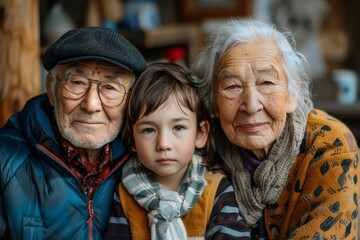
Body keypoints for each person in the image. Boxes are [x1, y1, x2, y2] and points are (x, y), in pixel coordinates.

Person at [190, 18, 359, 239]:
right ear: (213, 101)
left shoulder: (331, 146)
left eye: (267, 83)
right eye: (232, 86)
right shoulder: (200, 147)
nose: (251, 105)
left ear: (292, 93)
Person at [0, 26, 147, 239]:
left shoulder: (146, 157)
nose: (91, 104)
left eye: (110, 88)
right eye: (77, 82)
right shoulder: (6, 161)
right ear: (51, 88)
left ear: (131, 99)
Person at [104, 62, 251, 239]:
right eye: (149, 130)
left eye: (178, 127)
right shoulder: (124, 195)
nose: (164, 144)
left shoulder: (216, 192)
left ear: (200, 133)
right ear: (132, 139)